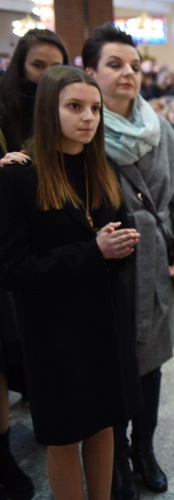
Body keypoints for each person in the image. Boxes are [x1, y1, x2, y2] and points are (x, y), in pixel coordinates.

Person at [0, 65, 142, 500]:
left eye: (95, 109)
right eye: (75, 107)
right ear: (48, 110)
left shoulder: (101, 167)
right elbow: (14, 269)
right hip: (54, 330)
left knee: (104, 425)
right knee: (64, 436)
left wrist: (122, 247)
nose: (88, 118)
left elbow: (117, 241)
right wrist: (93, 252)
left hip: (104, 320)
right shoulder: (19, 175)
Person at [81, 24, 174, 500]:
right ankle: (110, 462)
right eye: (114, 65)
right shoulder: (83, 129)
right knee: (112, 371)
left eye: (133, 65)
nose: (127, 73)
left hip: (157, 273)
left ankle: (144, 450)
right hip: (107, 274)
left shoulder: (161, 130)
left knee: (150, 371)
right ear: (89, 72)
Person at [0, 28, 68, 499]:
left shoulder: (63, 110)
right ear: (21, 65)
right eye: (37, 65)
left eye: (54, 66)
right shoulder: (4, 106)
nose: (45, 76)